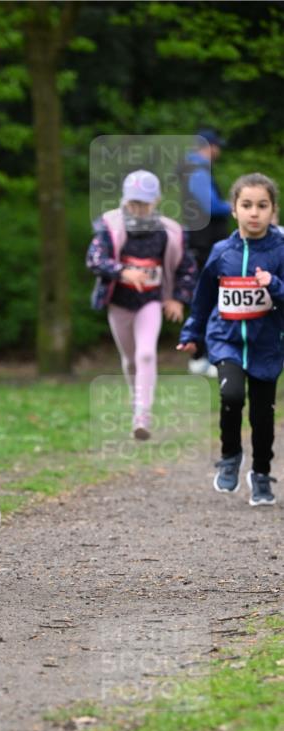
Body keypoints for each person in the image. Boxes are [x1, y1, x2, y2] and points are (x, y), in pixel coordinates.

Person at [177, 172, 284, 506]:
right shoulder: (222, 251)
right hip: (226, 340)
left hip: (267, 345)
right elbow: (204, 296)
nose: (254, 213)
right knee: (233, 395)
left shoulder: (281, 251)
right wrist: (192, 332)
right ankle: (230, 456)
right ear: (234, 210)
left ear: (273, 211)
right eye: (247, 205)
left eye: (262, 206)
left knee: (263, 415)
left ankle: (261, 473)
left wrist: (274, 285)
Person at [86, 169, 197, 439]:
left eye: (144, 203)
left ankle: (142, 414)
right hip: (120, 303)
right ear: (125, 200)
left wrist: (177, 299)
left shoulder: (169, 232)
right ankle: (136, 396)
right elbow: (94, 259)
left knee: (146, 354)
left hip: (150, 301)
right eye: (133, 203)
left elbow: (187, 268)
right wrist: (123, 271)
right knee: (130, 359)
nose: (138, 209)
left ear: (156, 201)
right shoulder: (111, 226)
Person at [180, 129, 233, 376]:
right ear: (207, 147)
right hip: (205, 247)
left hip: (200, 245)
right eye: (216, 146)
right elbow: (210, 206)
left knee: (204, 299)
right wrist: (237, 206)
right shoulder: (198, 172)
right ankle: (205, 357)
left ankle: (201, 356)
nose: (218, 152)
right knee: (210, 300)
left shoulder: (191, 170)